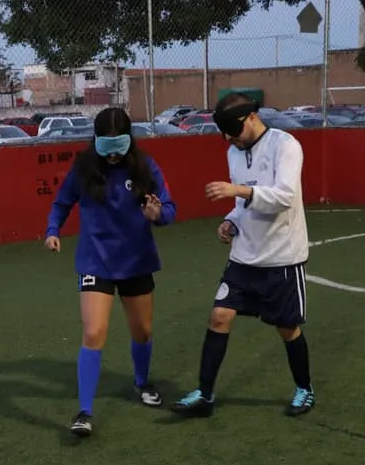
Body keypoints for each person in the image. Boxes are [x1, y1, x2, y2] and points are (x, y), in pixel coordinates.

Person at [171, 93, 315, 418]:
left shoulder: (286, 145)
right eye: (223, 134)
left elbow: (285, 197)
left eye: (231, 132)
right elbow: (242, 205)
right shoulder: (234, 152)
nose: (228, 140)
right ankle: (205, 395)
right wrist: (230, 221)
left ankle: (304, 389)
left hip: (282, 257)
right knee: (219, 316)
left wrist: (239, 191)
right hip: (244, 257)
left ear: (250, 118)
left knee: (286, 328)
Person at [44, 106, 177, 437]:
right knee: (93, 333)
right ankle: (84, 412)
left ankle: (142, 382)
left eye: (120, 147)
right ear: (97, 141)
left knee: (142, 331)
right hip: (95, 260)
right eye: (108, 147)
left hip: (136, 261)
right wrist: (53, 230)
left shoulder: (146, 167)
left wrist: (156, 214)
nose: (114, 156)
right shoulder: (84, 168)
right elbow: (61, 203)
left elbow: (170, 210)